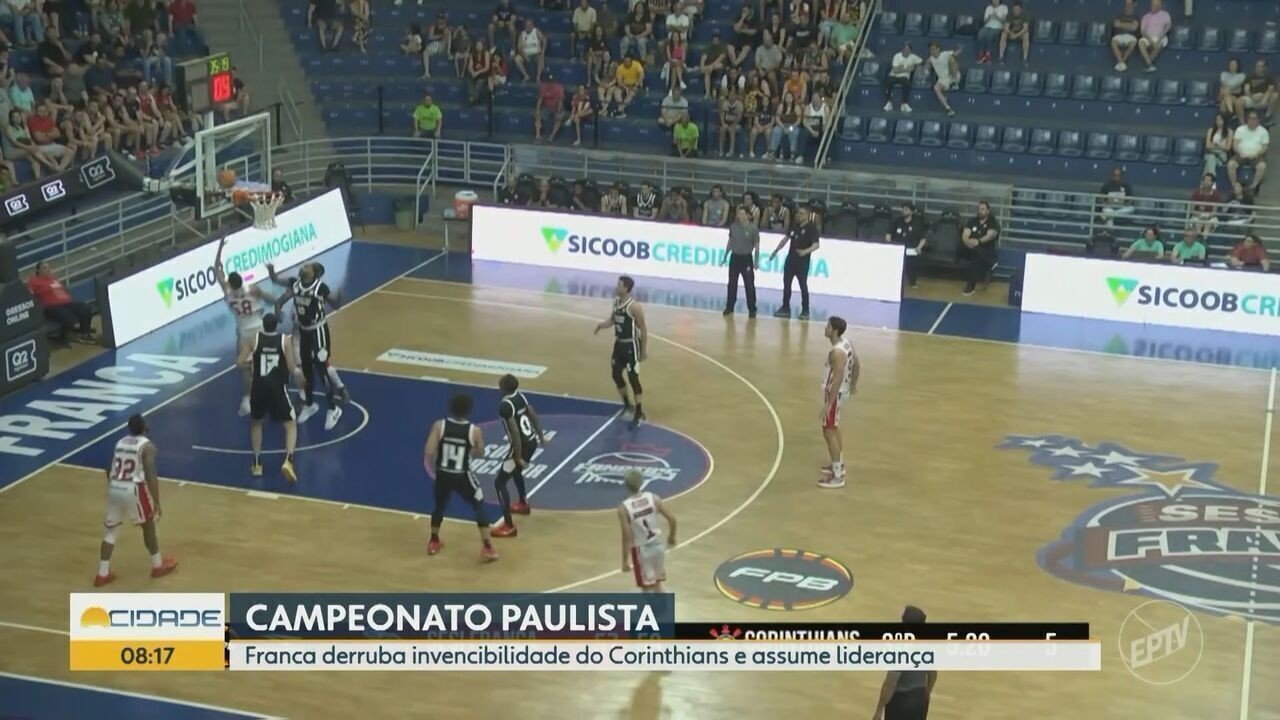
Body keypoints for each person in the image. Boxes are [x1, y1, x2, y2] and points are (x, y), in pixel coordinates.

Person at [95, 413, 178, 586]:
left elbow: (108, 468)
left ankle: (102, 573)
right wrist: (157, 502)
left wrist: (114, 488)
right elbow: (151, 476)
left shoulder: (119, 443)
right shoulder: (147, 447)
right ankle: (157, 565)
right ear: (145, 428)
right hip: (133, 489)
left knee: (111, 531)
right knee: (148, 525)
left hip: (115, 486)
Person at [266, 261, 349, 431]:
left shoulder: (321, 288)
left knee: (322, 370)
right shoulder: (295, 283)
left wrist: (340, 295)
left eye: (307, 267)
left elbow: (336, 305)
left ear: (314, 273)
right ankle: (310, 404)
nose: (303, 267)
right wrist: (278, 307)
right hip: (303, 333)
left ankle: (333, 408)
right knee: (307, 371)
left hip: (319, 332)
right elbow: (281, 295)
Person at [423, 393, 499, 561]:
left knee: (440, 506)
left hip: (443, 474)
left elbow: (428, 450)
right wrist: (467, 449)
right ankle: (487, 546)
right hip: (462, 475)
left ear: (450, 408)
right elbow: (480, 453)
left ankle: (434, 541)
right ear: (469, 410)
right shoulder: (474, 431)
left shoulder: (439, 425)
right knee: (478, 504)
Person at [238, 313, 302, 482]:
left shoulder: (254, 338)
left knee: (256, 423)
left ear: (263, 326)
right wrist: (299, 374)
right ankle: (288, 460)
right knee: (290, 424)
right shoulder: (284, 340)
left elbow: (239, 362)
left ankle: (257, 463)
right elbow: (290, 367)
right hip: (277, 388)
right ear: (276, 326)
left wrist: (251, 365)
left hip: (258, 388)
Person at [214, 237, 273, 416]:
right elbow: (269, 298)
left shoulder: (227, 293)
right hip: (260, 329)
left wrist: (220, 247)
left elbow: (216, 268)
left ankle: (247, 400)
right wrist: (278, 304)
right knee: (265, 363)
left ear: (230, 283)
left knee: (246, 368)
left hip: (244, 332)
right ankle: (269, 395)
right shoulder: (253, 289)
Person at [490, 374, 550, 538]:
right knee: (516, 472)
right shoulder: (520, 397)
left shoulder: (504, 406)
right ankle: (523, 503)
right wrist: (541, 436)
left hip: (521, 446)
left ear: (502, 389)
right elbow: (533, 416)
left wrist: (517, 455)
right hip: (531, 442)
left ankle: (509, 526)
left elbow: (515, 432)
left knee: (499, 482)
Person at [593, 275, 648, 429]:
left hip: (631, 346)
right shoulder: (616, 302)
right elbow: (612, 320)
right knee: (616, 375)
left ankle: (639, 411)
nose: (616, 287)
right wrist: (601, 325)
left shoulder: (634, 306)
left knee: (633, 378)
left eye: (619, 285)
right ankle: (627, 404)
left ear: (626, 288)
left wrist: (643, 350)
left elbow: (643, 328)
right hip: (619, 345)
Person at [873, 606, 937, 720]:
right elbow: (933, 673)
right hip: (919, 698)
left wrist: (879, 710)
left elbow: (890, 683)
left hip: (901, 700)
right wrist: (926, 692)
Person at [618, 469, 676, 593]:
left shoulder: (624, 508)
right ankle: (665, 610)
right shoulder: (653, 498)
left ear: (626, 485)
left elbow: (627, 537)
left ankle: (651, 612)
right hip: (658, 547)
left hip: (642, 551)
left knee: (646, 589)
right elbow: (672, 519)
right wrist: (671, 537)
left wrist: (624, 561)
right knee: (657, 585)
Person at [818, 316, 858, 489]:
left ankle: (837, 476)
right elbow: (856, 364)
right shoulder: (846, 344)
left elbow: (838, 377)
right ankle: (839, 464)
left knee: (828, 431)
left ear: (834, 331)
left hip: (834, 395)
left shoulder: (837, 353)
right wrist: (853, 385)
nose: (825, 328)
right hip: (841, 393)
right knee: (833, 427)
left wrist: (829, 404)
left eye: (828, 326)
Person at [769, 205, 820, 319]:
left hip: (802, 262)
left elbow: (816, 245)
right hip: (790, 259)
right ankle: (785, 307)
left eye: (801, 213)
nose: (799, 215)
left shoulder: (811, 228)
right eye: (798, 213)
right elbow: (785, 239)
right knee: (787, 284)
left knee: (803, 285)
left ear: (807, 215)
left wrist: (805, 251)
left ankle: (805, 310)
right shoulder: (795, 226)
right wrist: (776, 251)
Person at [26, 261, 93, 346]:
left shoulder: (53, 279)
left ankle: (84, 334)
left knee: (86, 308)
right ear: (38, 270)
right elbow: (28, 294)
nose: (48, 269)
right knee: (69, 318)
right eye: (44, 268)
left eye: (48, 267)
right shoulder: (34, 281)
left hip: (66, 303)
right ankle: (62, 338)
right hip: (50, 307)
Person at [724, 205, 760, 317]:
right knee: (732, 284)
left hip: (746, 258)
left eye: (742, 213)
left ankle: (752, 309)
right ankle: (730, 306)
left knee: (749, 284)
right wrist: (725, 256)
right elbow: (730, 241)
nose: (740, 215)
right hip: (735, 258)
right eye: (739, 213)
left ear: (748, 215)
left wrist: (756, 260)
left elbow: (757, 245)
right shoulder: (733, 226)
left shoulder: (753, 228)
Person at [960, 200, 1000, 295]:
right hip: (969, 248)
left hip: (986, 250)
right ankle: (990, 263)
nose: (980, 211)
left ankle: (970, 286)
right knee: (975, 252)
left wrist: (977, 242)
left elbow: (991, 235)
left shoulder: (993, 222)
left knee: (976, 259)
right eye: (978, 209)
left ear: (988, 211)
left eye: (982, 209)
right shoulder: (972, 221)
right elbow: (965, 236)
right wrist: (969, 242)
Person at [1228, 110, 1269, 196]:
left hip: (1255, 156)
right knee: (1231, 164)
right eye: (1251, 118)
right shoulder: (1240, 129)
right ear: (1247, 119)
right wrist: (1239, 152)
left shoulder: (1263, 131)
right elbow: (1235, 144)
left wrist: (1257, 153)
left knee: (1262, 166)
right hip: (1241, 155)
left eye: (1255, 118)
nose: (1253, 120)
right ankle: (1234, 185)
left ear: (1258, 120)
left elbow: (1265, 147)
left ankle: (1253, 186)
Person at [887, 201, 926, 288]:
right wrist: (890, 245)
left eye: (906, 209)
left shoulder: (917, 223)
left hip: (912, 249)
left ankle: (912, 282)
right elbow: (888, 235)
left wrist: (919, 247)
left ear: (911, 211)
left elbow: (923, 239)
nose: (903, 211)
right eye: (903, 209)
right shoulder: (896, 220)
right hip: (898, 248)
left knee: (913, 262)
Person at [1136, 0, 1171, 73]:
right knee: (1141, 43)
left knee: (1159, 44)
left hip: (1161, 37)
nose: (1153, 7)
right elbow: (1142, 31)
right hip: (1148, 37)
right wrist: (1148, 38)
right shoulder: (1145, 17)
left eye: (1155, 5)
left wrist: (1162, 35)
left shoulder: (1165, 14)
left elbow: (1168, 26)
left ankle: (1147, 64)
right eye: (1152, 5)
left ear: (1159, 6)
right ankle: (1149, 64)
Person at [1109, 0, 1140, 71]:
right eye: (1126, 4)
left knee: (1132, 44)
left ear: (1133, 5)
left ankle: (1122, 61)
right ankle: (1121, 62)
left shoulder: (1136, 17)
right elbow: (1116, 24)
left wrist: (1121, 24)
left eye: (1129, 4)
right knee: (1113, 42)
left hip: (1131, 36)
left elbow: (1134, 27)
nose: (1127, 6)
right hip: (1119, 35)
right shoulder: (1120, 15)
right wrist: (1129, 25)